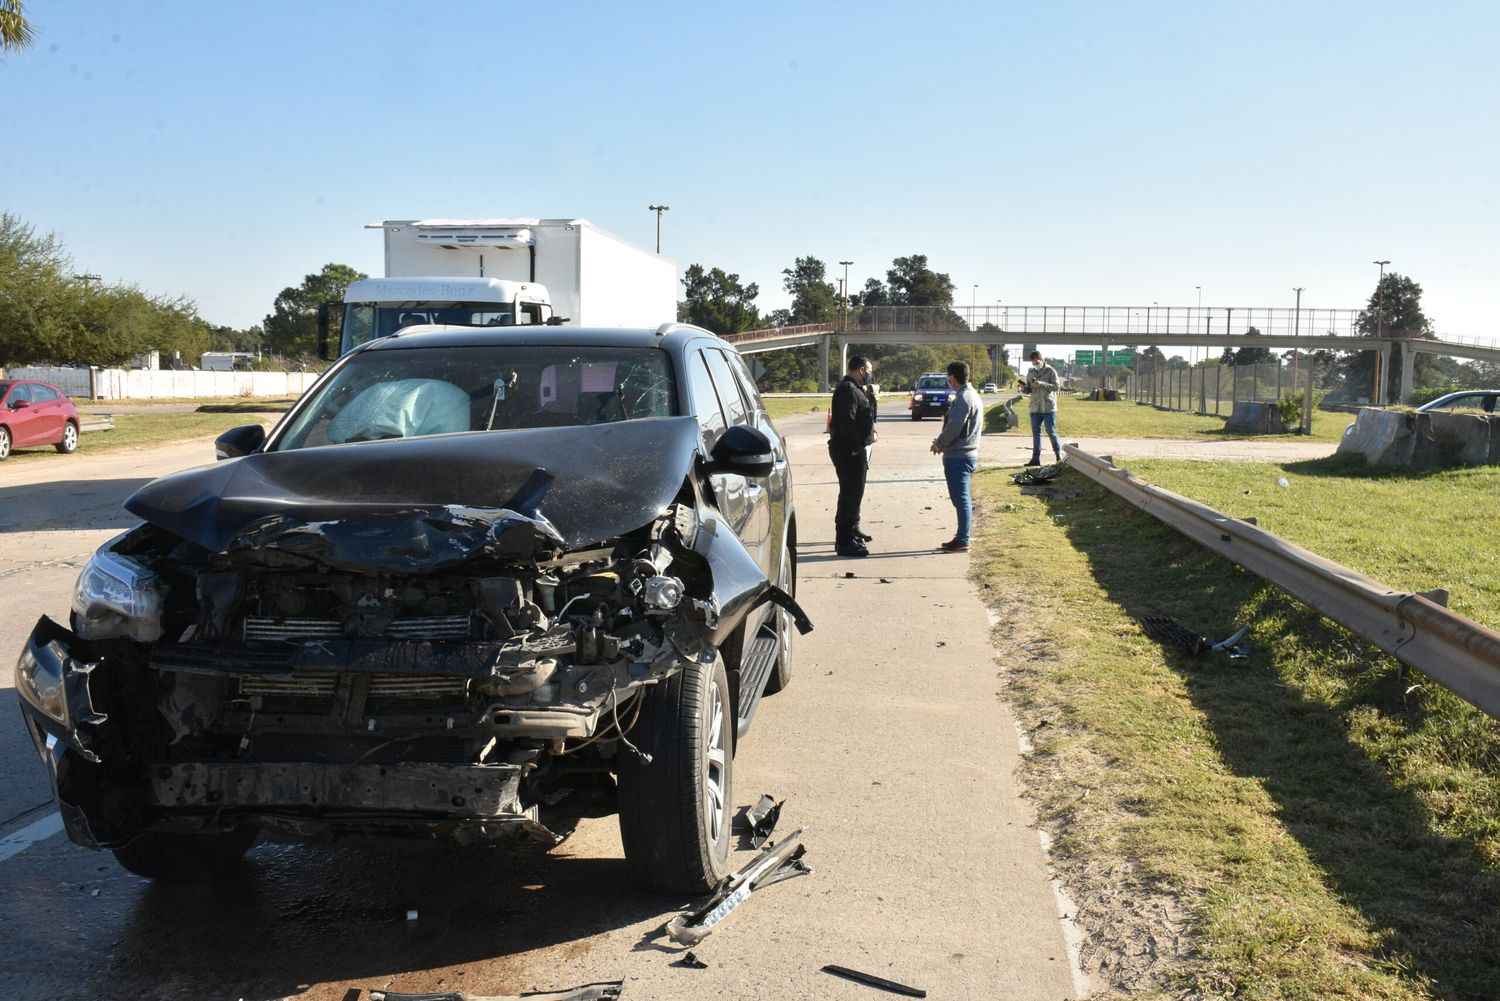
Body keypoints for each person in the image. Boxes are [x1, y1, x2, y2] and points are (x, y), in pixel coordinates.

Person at [929, 360, 982, 553]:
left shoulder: (963, 398)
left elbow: (954, 427)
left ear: (952, 377)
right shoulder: (971, 395)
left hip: (959, 456)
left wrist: (939, 443)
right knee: (962, 498)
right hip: (965, 454)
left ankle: (962, 539)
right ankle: (961, 537)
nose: (947, 381)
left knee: (960, 499)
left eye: (948, 377)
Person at [829, 355, 878, 557]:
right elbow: (846, 422)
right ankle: (845, 541)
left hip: (855, 450)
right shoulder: (848, 390)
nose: (870, 375)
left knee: (855, 493)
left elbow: (866, 415)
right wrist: (856, 447)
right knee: (850, 494)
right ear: (860, 370)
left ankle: (853, 530)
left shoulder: (856, 389)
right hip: (849, 452)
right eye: (868, 371)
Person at [1019, 350, 1061, 466]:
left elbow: (1057, 387)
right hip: (1035, 408)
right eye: (1033, 363)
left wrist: (1042, 384)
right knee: (1036, 434)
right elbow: (1029, 390)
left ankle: (1058, 456)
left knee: (1051, 432)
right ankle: (1035, 459)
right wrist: (1024, 388)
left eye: (1036, 362)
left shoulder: (1051, 371)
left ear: (1042, 360)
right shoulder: (1030, 373)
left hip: (1048, 408)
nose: (1035, 364)